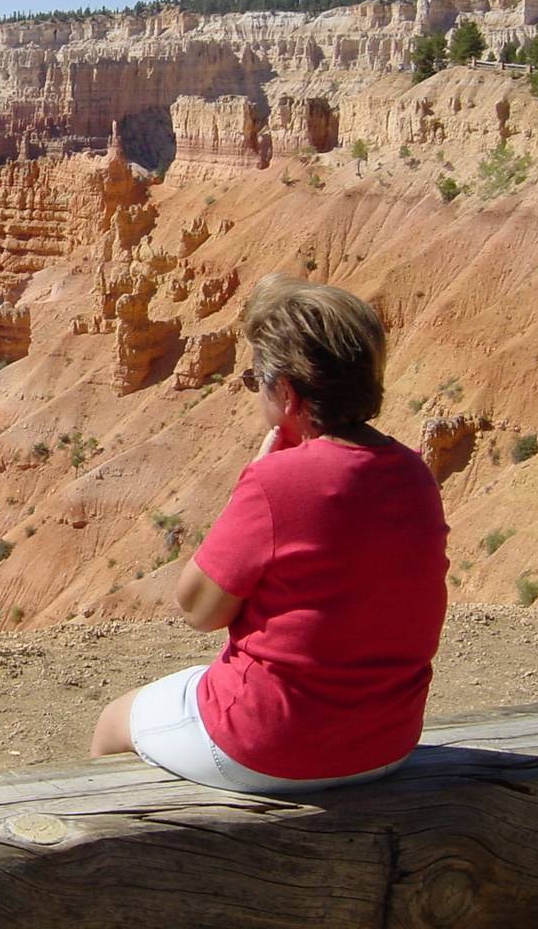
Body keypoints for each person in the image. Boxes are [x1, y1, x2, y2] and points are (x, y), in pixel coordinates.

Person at [90, 273, 449, 794]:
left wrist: (252, 483)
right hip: (387, 742)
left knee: (113, 722)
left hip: (271, 743)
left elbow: (199, 611)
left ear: (286, 391)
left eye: (253, 379)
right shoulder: (414, 473)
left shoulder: (276, 481)